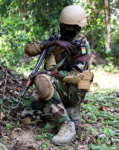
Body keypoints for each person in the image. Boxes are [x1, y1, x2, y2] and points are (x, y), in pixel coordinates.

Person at [19, 5, 94, 145]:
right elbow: (28, 50)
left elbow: (75, 75)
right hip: (56, 92)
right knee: (25, 117)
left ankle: (67, 124)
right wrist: (53, 43)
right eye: (63, 25)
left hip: (73, 92)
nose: (66, 29)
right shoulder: (57, 40)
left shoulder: (81, 45)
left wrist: (46, 73)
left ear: (78, 28)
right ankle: (68, 112)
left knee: (41, 79)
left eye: (70, 27)